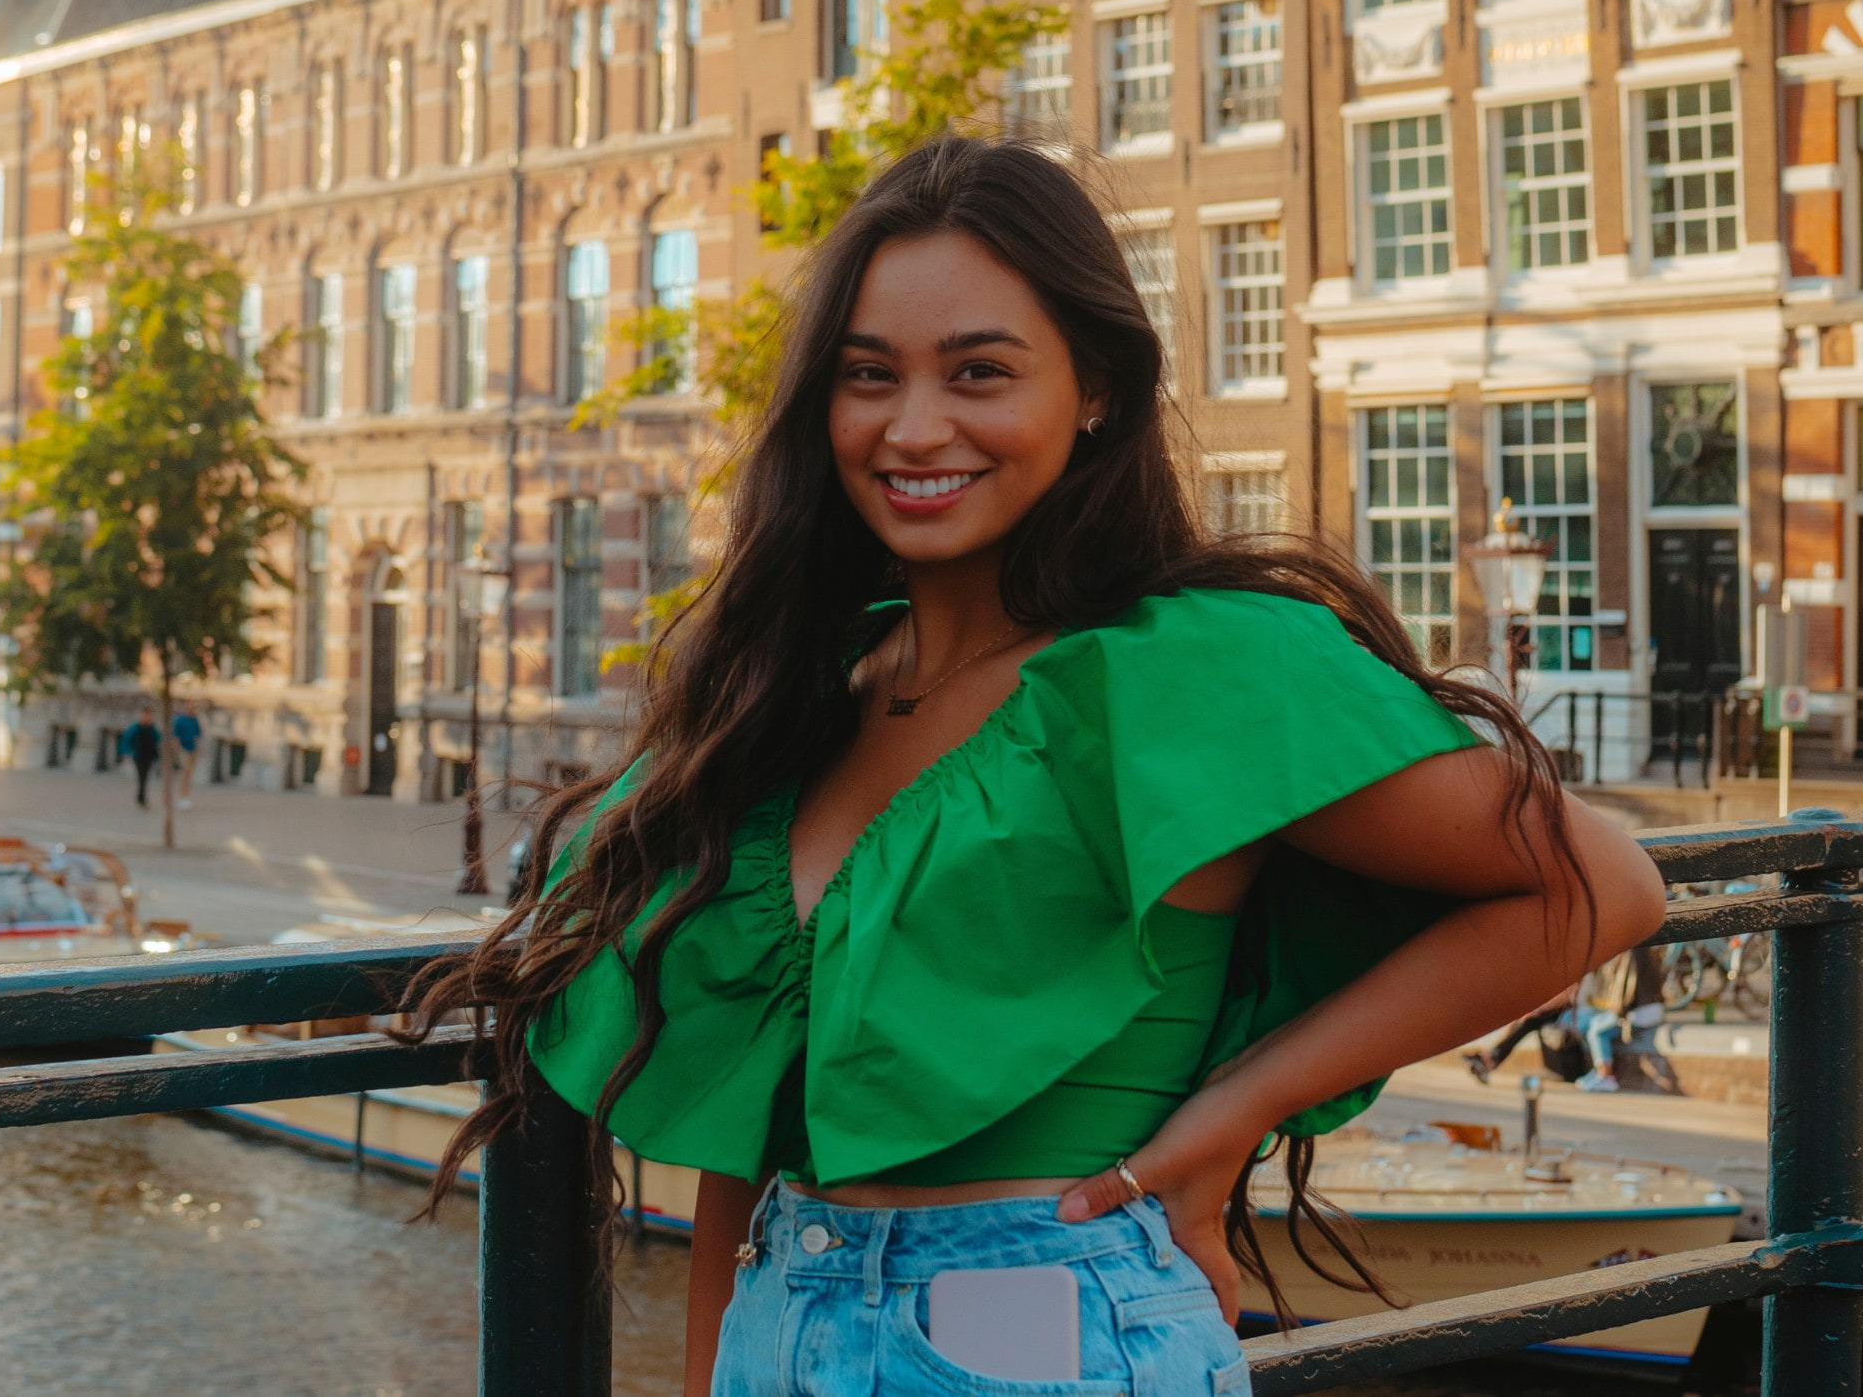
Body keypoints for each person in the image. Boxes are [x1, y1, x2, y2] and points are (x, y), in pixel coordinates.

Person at [407, 139, 1665, 1395]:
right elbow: (754, 1117)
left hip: (1039, 1323)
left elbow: (1598, 885)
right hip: (780, 1319)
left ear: (1097, 388)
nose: (913, 426)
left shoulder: (1184, 670)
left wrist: (1219, 1128)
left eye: (979, 372)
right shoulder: (792, 700)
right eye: (867, 376)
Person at [1573, 947, 1668, 1093]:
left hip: (1639, 1014)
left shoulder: (1631, 954)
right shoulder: (1642, 951)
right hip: (1647, 1009)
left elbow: (1628, 993)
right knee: (1593, 1023)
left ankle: (1605, 1075)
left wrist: (1617, 1014)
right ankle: (1599, 1070)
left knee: (1597, 1030)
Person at [1463, 987, 1581, 1084]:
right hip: (1552, 1011)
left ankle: (1489, 1059)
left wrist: (1535, 1011)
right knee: (1518, 1025)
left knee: (1527, 1023)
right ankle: (1489, 1059)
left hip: (1564, 1012)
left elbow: (1565, 996)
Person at [120, 708, 161, 810]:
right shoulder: (136, 727)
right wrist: (126, 752)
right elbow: (126, 739)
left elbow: (158, 739)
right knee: (142, 777)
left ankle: (140, 798)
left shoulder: (152, 728)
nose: (147, 717)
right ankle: (142, 799)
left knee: (144, 778)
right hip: (139, 756)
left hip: (149, 757)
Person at [171, 702, 202, 810]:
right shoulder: (180, 720)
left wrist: (198, 749)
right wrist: (178, 749)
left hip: (193, 750)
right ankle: (182, 797)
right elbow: (176, 736)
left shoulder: (194, 720)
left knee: (189, 774)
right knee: (184, 773)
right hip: (184, 750)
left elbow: (198, 735)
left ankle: (186, 796)